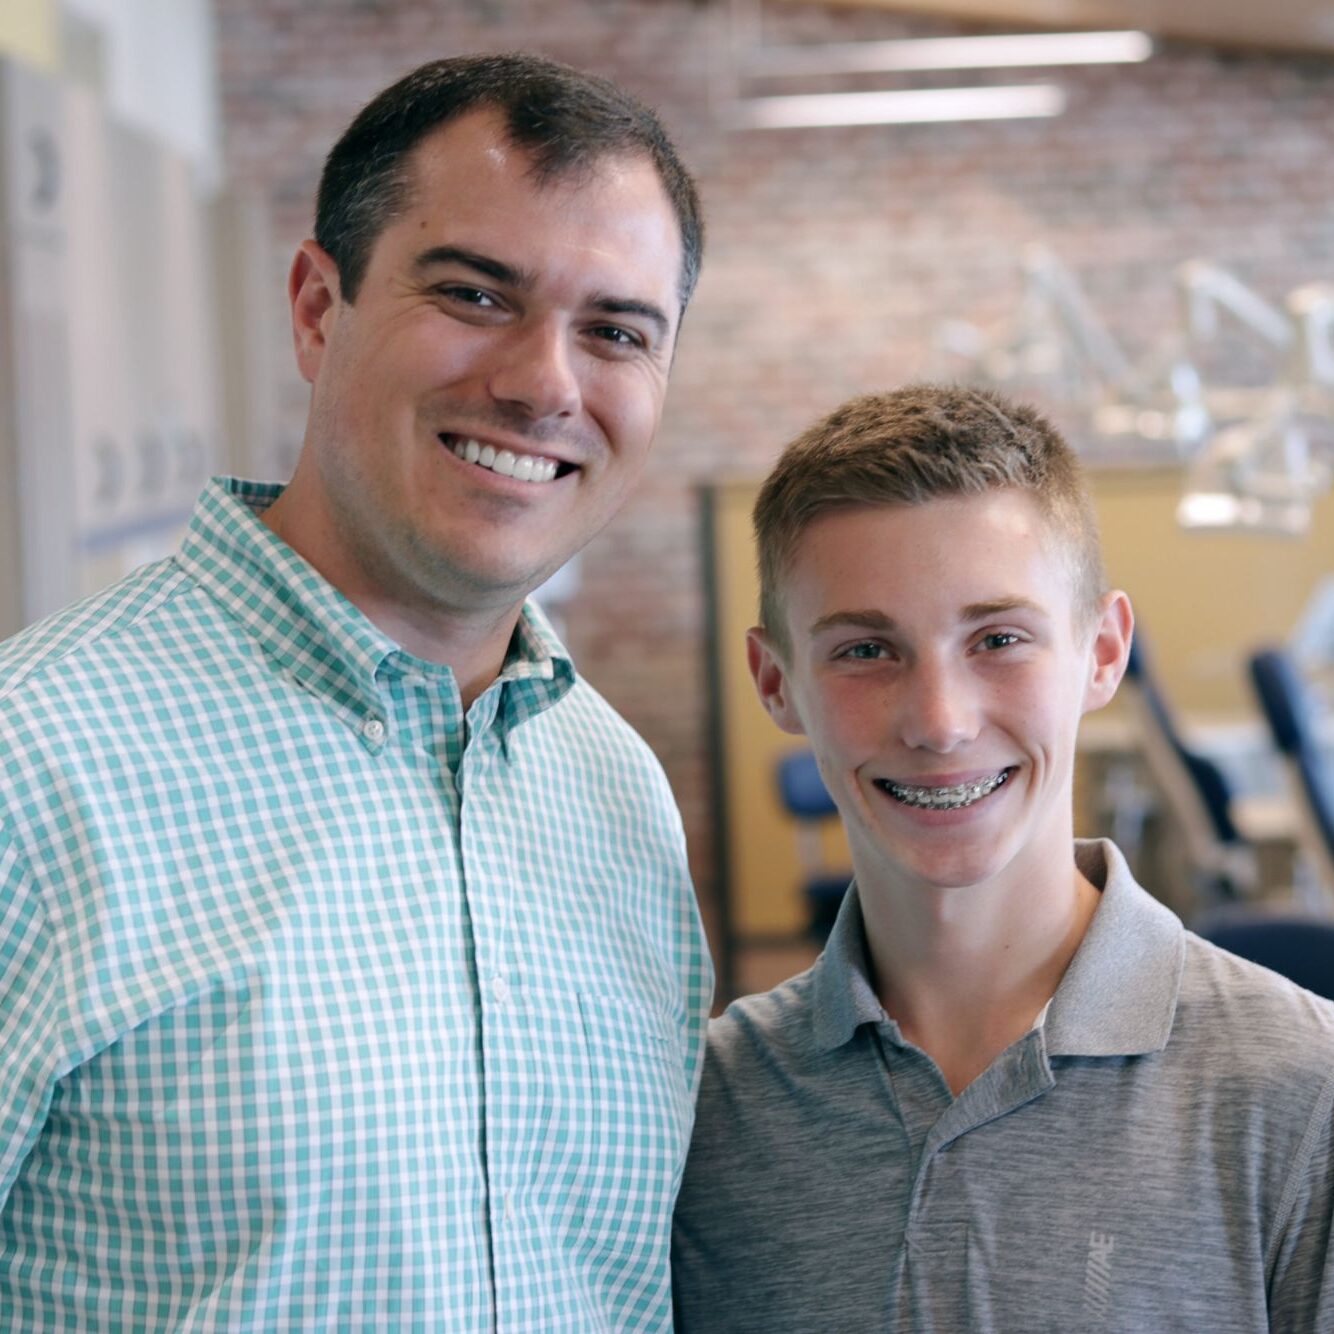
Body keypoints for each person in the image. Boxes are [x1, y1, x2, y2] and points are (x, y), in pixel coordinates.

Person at [0, 53, 711, 1330]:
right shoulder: (32, 762)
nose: (546, 381)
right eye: (476, 293)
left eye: (615, 330)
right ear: (319, 309)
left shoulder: (617, 795)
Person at [672, 385, 1334, 1333]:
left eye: (999, 639)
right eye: (866, 649)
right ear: (777, 684)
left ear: (1102, 653)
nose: (940, 721)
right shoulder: (711, 1110)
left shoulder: (1302, 1093)